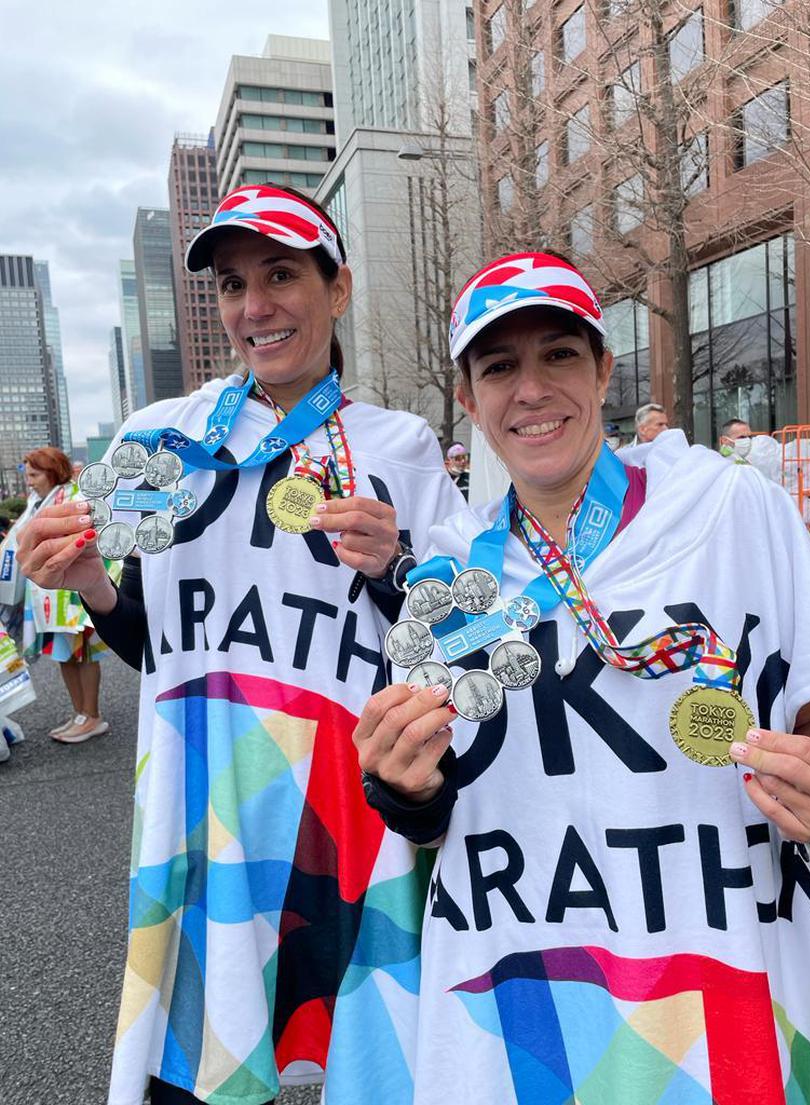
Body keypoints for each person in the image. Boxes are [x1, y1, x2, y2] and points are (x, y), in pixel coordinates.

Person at [17, 183, 464, 1105]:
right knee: (205, 1068)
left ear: (336, 289)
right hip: (201, 797)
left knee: (372, 1057)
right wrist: (88, 582)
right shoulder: (160, 441)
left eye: (281, 275)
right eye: (231, 284)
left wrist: (395, 566)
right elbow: (156, 642)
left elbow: (460, 647)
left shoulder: (402, 446)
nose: (253, 307)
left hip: (345, 806)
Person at [354, 251, 810, 1103]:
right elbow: (433, 818)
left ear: (604, 368)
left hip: (718, 962)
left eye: (558, 354)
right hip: (521, 982)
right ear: (468, 399)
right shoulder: (450, 581)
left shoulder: (729, 507)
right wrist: (403, 790)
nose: (530, 389)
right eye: (499, 366)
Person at [17, 447, 109, 743]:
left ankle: (92, 716)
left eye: (34, 474)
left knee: (83, 654)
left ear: (51, 472)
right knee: (63, 656)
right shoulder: (37, 501)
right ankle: (80, 714)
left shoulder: (73, 497)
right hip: (49, 596)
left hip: (72, 594)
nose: (29, 481)